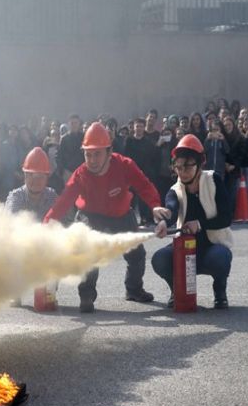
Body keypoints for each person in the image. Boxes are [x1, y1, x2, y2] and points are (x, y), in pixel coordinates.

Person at [43, 122, 170, 313]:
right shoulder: (81, 174)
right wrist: (47, 223)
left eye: (97, 154)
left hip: (121, 214)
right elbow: (64, 201)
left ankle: (134, 289)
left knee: (137, 255)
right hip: (90, 216)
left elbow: (144, 186)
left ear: (109, 152)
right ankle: (86, 295)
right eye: (88, 154)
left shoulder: (125, 165)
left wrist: (154, 206)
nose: (92, 160)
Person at [152, 134, 233, 310]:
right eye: (178, 167)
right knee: (159, 259)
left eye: (188, 166)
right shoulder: (175, 190)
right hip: (184, 250)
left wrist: (200, 224)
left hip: (212, 247)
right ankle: (177, 291)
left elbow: (226, 217)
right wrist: (164, 223)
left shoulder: (213, 181)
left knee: (221, 258)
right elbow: (171, 210)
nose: (182, 172)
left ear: (200, 163)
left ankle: (220, 291)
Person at [5, 147, 59, 307]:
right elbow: (11, 224)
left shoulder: (52, 196)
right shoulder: (16, 196)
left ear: (47, 177)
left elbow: (60, 224)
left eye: (40, 176)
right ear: (24, 176)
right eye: (31, 176)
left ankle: (49, 291)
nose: (35, 181)